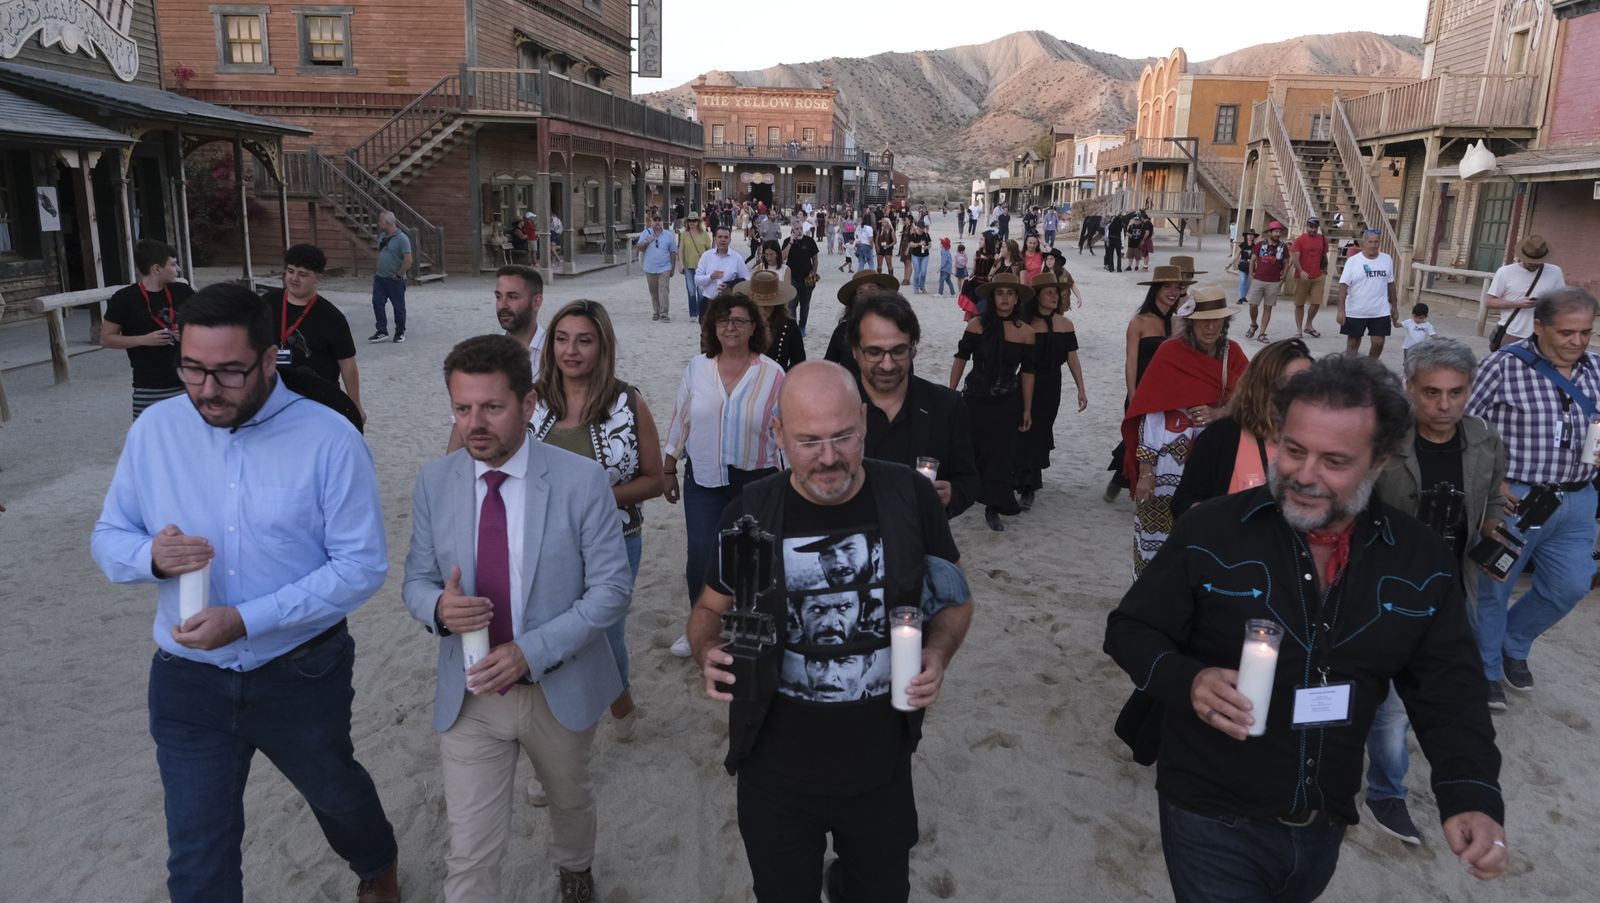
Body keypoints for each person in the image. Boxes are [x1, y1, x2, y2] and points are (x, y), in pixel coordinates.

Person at [1104, 353, 1508, 903]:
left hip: (1323, 816)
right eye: (1293, 450)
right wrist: (1186, 680)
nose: (1303, 474)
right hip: (1208, 809)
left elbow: (1451, 690)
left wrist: (1471, 793)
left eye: (1335, 461)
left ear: (1381, 461)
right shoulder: (1211, 529)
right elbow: (1131, 628)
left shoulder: (1420, 563)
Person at [91, 284, 401, 903]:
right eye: (193, 368)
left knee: (336, 794)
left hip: (302, 673)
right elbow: (108, 535)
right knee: (197, 858)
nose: (207, 389)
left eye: (229, 372)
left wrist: (248, 619)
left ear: (268, 359)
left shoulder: (330, 438)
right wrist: (146, 555)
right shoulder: (154, 431)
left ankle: (377, 862)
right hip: (187, 681)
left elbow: (361, 566)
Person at [688, 361, 975, 903]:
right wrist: (708, 649)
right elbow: (708, 609)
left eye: (843, 436)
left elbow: (956, 601)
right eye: (808, 440)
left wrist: (937, 654)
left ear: (864, 421)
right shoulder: (750, 514)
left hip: (881, 764)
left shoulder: (909, 499)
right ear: (776, 434)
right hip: (774, 770)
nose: (828, 457)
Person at [402, 334, 632, 903]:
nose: (474, 423)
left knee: (569, 800)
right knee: (470, 852)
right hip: (472, 692)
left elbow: (611, 591)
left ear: (528, 405)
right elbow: (415, 580)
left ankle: (575, 869)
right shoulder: (436, 481)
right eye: (462, 408)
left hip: (558, 686)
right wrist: (437, 607)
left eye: (492, 407)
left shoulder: (581, 481)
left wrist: (531, 651)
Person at [1364, 337, 1507, 844]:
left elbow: (1492, 494)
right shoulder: (1382, 441)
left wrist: (1492, 529)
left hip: (1451, 592)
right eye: (1431, 393)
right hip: (1384, 594)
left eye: (1456, 392)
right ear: (1409, 389)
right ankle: (1385, 791)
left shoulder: (1484, 439)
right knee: (1390, 709)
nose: (1444, 405)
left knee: (1433, 697)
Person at [532, 299, 664, 742]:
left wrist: (594, 498)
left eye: (584, 341)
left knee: (605, 635)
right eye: (562, 339)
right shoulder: (531, 400)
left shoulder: (628, 401)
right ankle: (562, 737)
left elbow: (655, 479)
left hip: (614, 540)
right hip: (543, 543)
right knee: (552, 635)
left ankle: (620, 700)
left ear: (601, 346)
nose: (571, 351)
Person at [1466, 288, 1600, 705]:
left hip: (1578, 499)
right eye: (1567, 332)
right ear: (1538, 327)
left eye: (1586, 332)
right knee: (1493, 585)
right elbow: (1464, 424)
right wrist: (1493, 483)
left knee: (1572, 585)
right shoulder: (1503, 366)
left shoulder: (1597, 368)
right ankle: (1484, 668)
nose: (1577, 342)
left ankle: (1513, 642)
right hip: (1516, 500)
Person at [662, 290, 787, 656]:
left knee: (750, 558)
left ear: (753, 328)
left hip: (756, 480)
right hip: (703, 477)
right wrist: (669, 465)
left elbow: (784, 431)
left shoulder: (773, 374)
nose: (730, 327)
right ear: (712, 327)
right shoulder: (697, 368)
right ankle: (699, 629)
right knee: (701, 554)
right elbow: (681, 418)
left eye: (739, 320)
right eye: (722, 320)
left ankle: (746, 628)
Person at [1121, 288, 1247, 575]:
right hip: (1166, 464)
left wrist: (1220, 413)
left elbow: (1252, 401)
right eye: (1204, 320)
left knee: (1204, 535)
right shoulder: (1169, 353)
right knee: (1155, 538)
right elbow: (1150, 414)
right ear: (1191, 322)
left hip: (1213, 464)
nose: (1211, 327)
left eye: (1217, 321)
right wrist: (1145, 471)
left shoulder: (1234, 355)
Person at [851, 292, 981, 519]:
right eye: (874, 352)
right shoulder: (834, 409)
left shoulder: (947, 406)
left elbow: (968, 480)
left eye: (898, 351)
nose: (887, 364)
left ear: (913, 349)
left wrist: (953, 495)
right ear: (855, 351)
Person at [1171, 338, 1314, 519]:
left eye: (1308, 384)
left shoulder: (1319, 443)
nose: (1299, 393)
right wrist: (1232, 520)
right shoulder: (1221, 437)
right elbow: (1182, 503)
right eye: (1287, 384)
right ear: (1262, 387)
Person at [950, 272, 1037, 532]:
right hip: (975, 395)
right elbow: (961, 359)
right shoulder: (977, 325)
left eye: (1011, 293)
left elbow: (1029, 373)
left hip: (1006, 398)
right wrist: (950, 393)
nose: (1006, 298)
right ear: (993, 297)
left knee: (1001, 452)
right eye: (1000, 293)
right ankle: (965, 494)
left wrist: (1028, 408)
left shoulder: (1027, 333)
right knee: (972, 447)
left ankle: (992, 505)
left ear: (1017, 298)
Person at [1104, 265, 1190, 502]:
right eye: (1167, 286)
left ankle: (1128, 483)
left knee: (1158, 441)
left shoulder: (1179, 323)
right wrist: (1132, 395)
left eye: (1177, 287)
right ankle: (1126, 482)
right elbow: (1131, 361)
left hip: (1167, 393)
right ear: (1155, 289)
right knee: (1137, 438)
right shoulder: (1139, 321)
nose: (1173, 291)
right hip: (1142, 389)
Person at [1012, 271, 1087, 511]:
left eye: (1057, 292)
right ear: (1038, 296)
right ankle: (1026, 484)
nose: (1055, 296)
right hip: (1025, 381)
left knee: (1042, 431)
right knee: (1024, 429)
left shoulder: (1065, 324)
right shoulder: (1024, 324)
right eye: (1049, 292)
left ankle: (1029, 481)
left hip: (1052, 384)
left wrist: (1081, 389)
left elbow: (1072, 358)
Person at [265, 244, 364, 423]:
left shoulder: (332, 317)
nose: (294, 278)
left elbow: (348, 364)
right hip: (273, 395)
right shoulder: (266, 304)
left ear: (317, 278)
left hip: (318, 399)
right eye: (290, 271)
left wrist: (355, 405)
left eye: (302, 274)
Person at [102, 238, 195, 420]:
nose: (178, 269)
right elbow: (106, 339)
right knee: (150, 443)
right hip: (149, 387)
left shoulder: (184, 291)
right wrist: (143, 340)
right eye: (173, 264)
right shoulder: (124, 299)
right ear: (157, 269)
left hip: (189, 383)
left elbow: (207, 325)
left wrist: (187, 334)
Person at [1485, 235, 1566, 347]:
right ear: (1521, 256)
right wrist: (1517, 303)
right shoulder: (1505, 272)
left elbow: (1561, 301)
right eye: (1530, 261)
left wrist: (1543, 303)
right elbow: (1489, 302)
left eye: (1538, 261)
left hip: (1542, 334)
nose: (1533, 264)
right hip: (1512, 332)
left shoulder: (1555, 272)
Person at [1336, 229, 1399, 358]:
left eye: (1376, 242)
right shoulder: (1353, 261)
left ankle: (1370, 367)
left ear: (1379, 242)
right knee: (1353, 343)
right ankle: (1349, 370)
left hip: (1380, 310)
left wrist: (1395, 307)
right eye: (1370, 242)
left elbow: (1390, 284)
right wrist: (1341, 310)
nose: (1373, 245)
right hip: (1356, 310)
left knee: (1378, 342)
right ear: (1364, 243)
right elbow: (1343, 286)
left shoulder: (1387, 259)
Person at [825, 269, 900, 372]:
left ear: (884, 294)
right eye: (860, 291)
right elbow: (827, 367)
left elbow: (906, 371)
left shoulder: (897, 328)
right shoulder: (843, 331)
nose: (866, 294)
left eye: (872, 289)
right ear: (854, 299)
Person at [742, 272, 806, 372]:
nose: (762, 310)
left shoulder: (789, 326)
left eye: (767, 307)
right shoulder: (740, 324)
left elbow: (799, 362)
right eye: (758, 305)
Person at [369, 211, 412, 343]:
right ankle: (381, 330)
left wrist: (399, 275)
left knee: (398, 307)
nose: (379, 223)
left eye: (381, 221)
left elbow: (408, 260)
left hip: (395, 280)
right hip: (380, 278)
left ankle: (400, 332)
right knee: (377, 302)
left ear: (387, 223)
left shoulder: (402, 239)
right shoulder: (382, 236)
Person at [1244, 221, 1289, 343]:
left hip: (1274, 282)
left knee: (1268, 308)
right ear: (1269, 232)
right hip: (1258, 279)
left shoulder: (1283, 247)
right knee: (1253, 305)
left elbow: (1286, 263)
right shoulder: (1260, 245)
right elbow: (1252, 260)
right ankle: (1253, 324)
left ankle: (1262, 333)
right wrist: (1251, 276)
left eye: (1279, 231)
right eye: (1275, 231)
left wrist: (1283, 278)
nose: (1277, 234)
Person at [1289, 217, 1330, 338]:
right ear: (1306, 226)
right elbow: (1295, 257)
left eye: (1315, 227)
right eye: (1311, 227)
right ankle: (1298, 329)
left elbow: (1324, 255)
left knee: (1316, 303)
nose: (1313, 229)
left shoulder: (1322, 239)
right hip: (1302, 276)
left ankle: (1308, 324)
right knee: (1299, 304)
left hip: (1318, 276)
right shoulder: (1300, 240)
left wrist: (1325, 268)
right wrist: (1301, 271)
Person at [638, 213, 679, 323]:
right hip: (650, 267)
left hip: (664, 267)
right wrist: (647, 241)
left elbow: (673, 252)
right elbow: (639, 248)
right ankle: (656, 312)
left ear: (662, 222)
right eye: (655, 220)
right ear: (651, 222)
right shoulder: (646, 233)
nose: (657, 222)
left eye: (659, 220)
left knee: (663, 290)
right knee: (654, 291)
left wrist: (673, 268)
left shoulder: (668, 235)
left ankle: (664, 313)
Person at [695, 226, 753, 302]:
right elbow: (697, 280)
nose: (723, 240)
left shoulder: (737, 258)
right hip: (708, 300)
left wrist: (730, 286)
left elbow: (747, 279)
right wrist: (710, 277)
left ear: (730, 240)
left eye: (726, 237)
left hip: (728, 302)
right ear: (715, 239)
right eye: (720, 237)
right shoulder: (706, 256)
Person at [782, 220, 820, 334]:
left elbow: (815, 259)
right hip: (792, 278)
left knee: (805, 305)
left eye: (800, 228)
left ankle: (802, 327)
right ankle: (793, 329)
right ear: (792, 230)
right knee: (792, 305)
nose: (799, 231)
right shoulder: (787, 241)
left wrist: (813, 273)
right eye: (796, 229)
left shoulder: (809, 241)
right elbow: (782, 257)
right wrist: (790, 243)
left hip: (806, 278)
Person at [681, 213, 713, 323]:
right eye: (690, 221)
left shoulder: (704, 234)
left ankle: (702, 313)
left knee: (700, 291)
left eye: (694, 221)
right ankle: (693, 313)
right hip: (688, 266)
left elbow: (710, 250)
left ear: (698, 222)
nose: (692, 223)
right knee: (690, 291)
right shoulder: (684, 234)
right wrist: (680, 264)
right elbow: (680, 250)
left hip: (701, 267)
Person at [1233, 227, 1257, 304]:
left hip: (1251, 266)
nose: (1250, 236)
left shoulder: (1255, 246)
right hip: (1243, 265)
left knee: (1248, 283)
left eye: (1252, 235)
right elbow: (1237, 255)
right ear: (1246, 236)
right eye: (1249, 234)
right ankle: (1240, 298)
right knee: (1242, 281)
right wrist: (1231, 263)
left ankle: (1244, 297)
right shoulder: (1242, 245)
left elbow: (1257, 258)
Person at [909, 221, 932, 294]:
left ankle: (922, 286)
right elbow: (910, 244)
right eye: (920, 228)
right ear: (917, 227)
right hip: (915, 255)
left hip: (925, 255)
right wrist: (919, 244)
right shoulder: (913, 235)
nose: (922, 229)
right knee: (917, 271)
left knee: (923, 272)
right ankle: (916, 287)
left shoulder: (926, 235)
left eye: (923, 228)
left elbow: (930, 244)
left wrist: (926, 247)